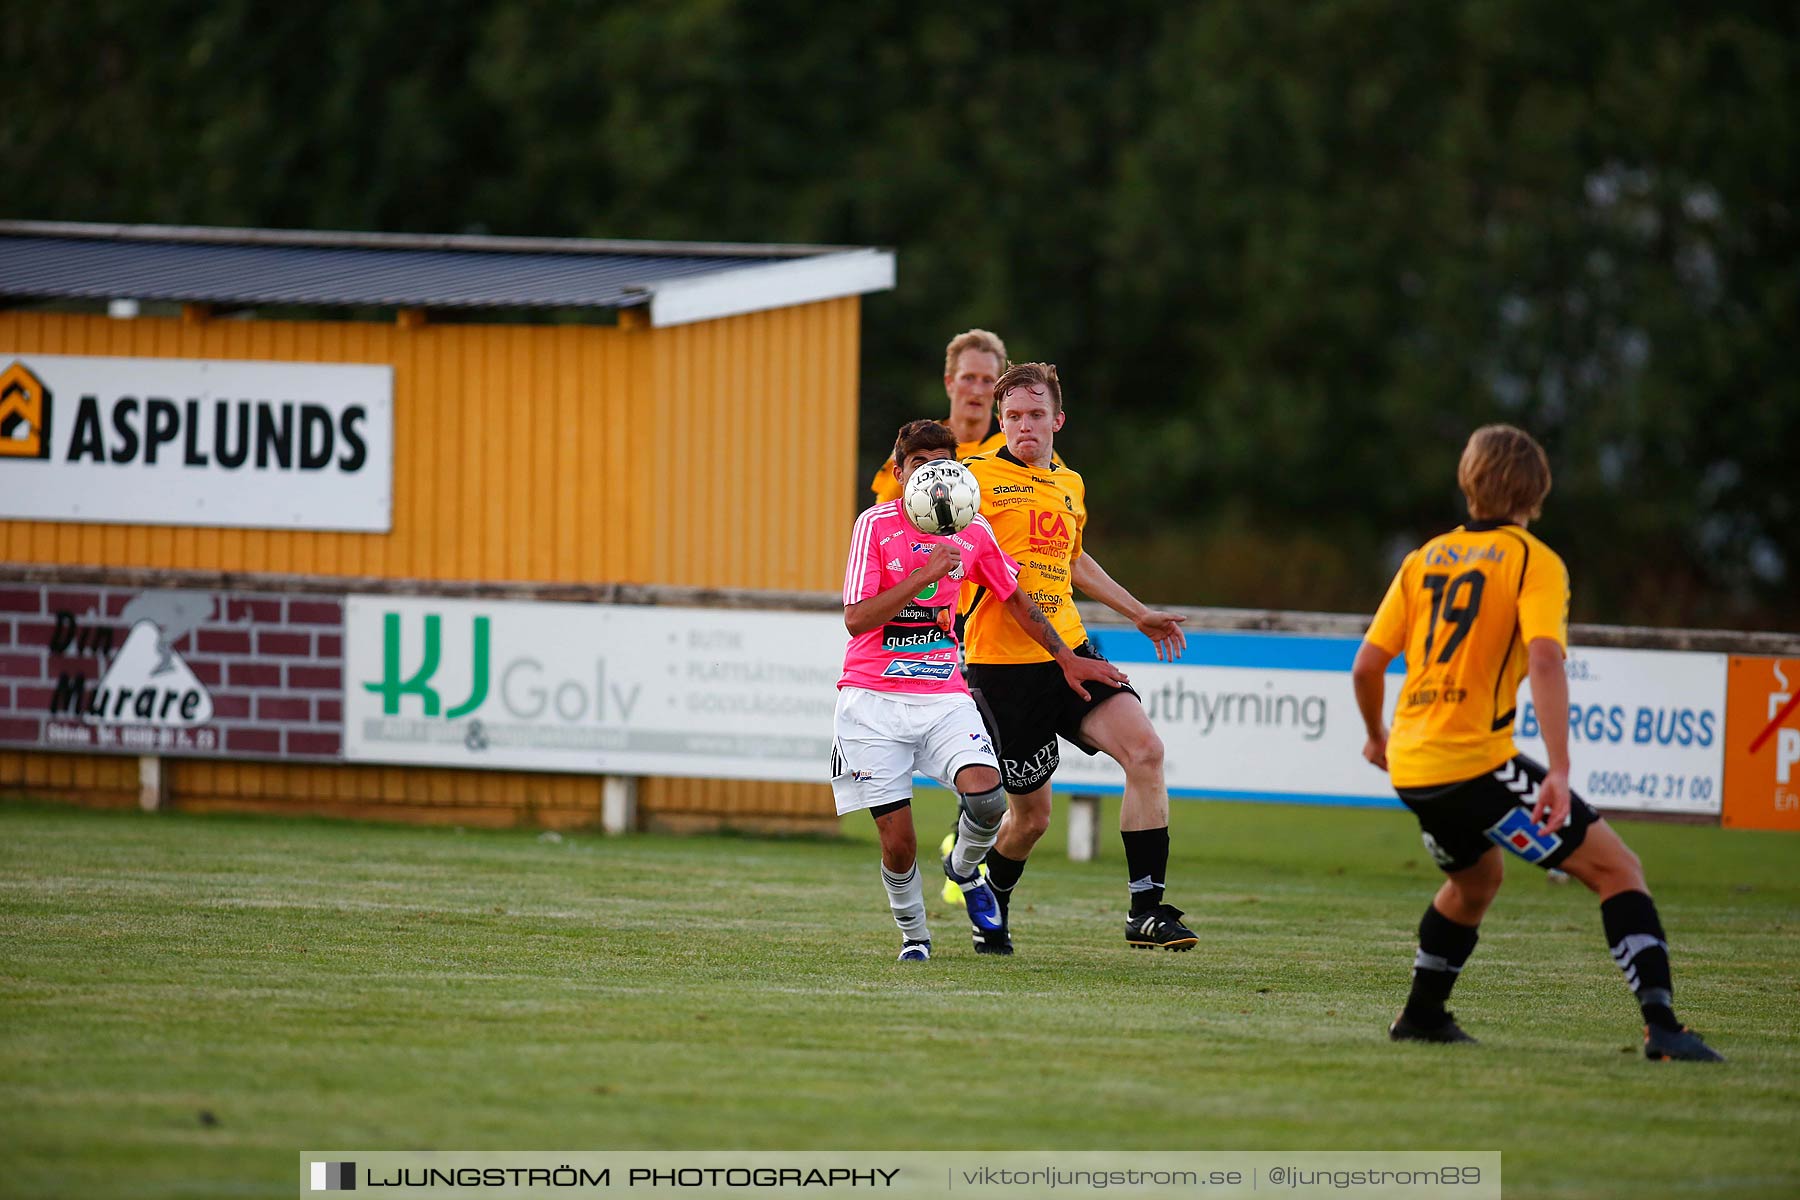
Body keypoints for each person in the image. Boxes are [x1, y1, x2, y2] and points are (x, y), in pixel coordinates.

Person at [1350, 424, 1723, 1061]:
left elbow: (1365, 666)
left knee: (1476, 880)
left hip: (1413, 764)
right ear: (1538, 489)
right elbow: (1545, 660)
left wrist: (1377, 736)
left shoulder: (1424, 558)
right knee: (1617, 870)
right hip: (1473, 763)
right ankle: (1662, 1027)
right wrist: (1559, 768)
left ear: (1467, 480)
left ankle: (1420, 1016)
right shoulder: (1534, 561)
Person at [835, 418, 1128, 961]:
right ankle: (915, 936)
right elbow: (856, 620)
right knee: (899, 846)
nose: (930, 474)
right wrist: (923, 575)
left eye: (940, 464)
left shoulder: (973, 530)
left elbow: (1016, 599)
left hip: (943, 691)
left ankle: (965, 870)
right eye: (918, 465)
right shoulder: (874, 526)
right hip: (872, 699)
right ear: (899, 473)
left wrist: (1067, 659)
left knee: (990, 799)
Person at [955, 362, 1194, 955]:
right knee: (1032, 820)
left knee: (1146, 751)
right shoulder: (972, 479)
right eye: (1012, 417)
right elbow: (988, 576)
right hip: (1002, 668)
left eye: (1036, 415)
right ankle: (994, 895)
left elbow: (1075, 559)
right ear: (1001, 421)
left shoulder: (1070, 483)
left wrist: (1137, 611)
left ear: (1058, 419)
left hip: (1074, 655)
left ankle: (1146, 909)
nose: (1024, 426)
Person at [869, 329, 1057, 504]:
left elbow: (1065, 506)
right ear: (949, 382)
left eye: (988, 380)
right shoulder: (917, 441)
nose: (977, 390)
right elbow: (885, 513)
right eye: (968, 378)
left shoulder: (1022, 441)